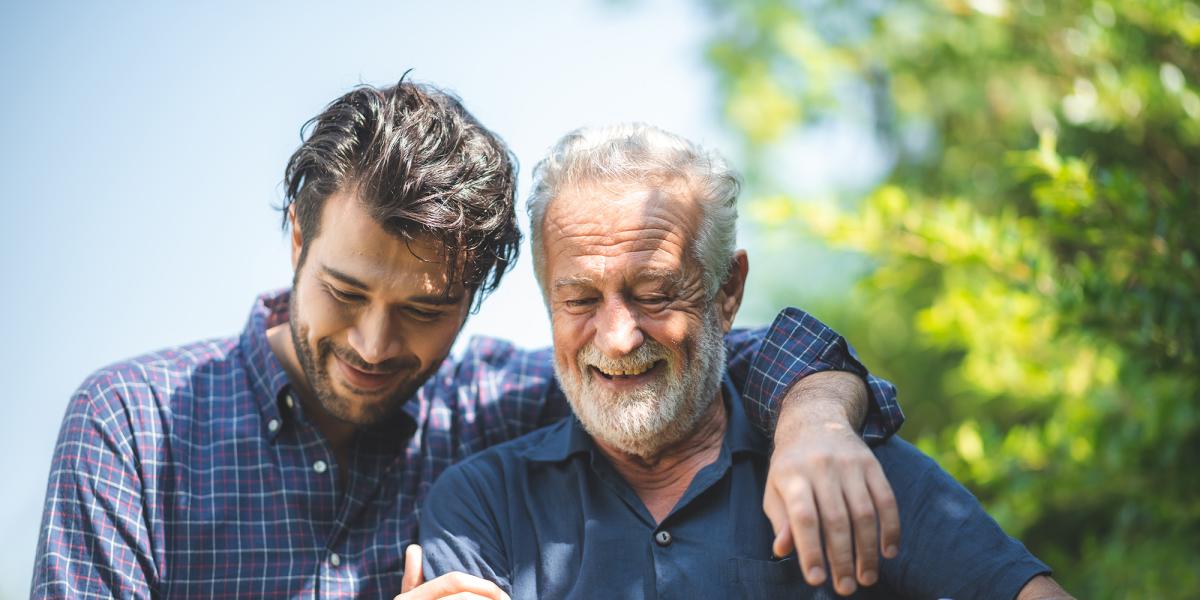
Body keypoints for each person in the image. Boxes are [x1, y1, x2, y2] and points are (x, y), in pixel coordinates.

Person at [32, 81, 905, 599]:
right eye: (345, 292)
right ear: (297, 240)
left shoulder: (503, 405)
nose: (374, 345)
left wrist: (816, 418)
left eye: (424, 310)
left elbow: (698, 354)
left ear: (476, 298)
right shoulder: (132, 427)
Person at [417, 123, 1073, 599]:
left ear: (727, 291)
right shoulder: (483, 504)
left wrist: (818, 418)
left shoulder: (839, 461)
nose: (617, 338)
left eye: (655, 294)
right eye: (581, 299)